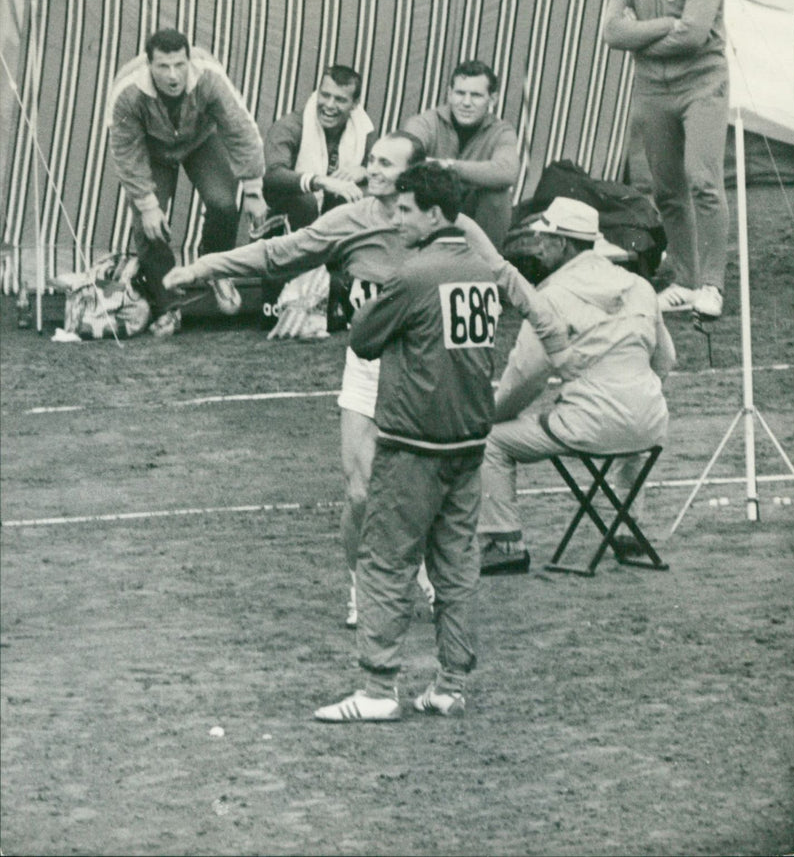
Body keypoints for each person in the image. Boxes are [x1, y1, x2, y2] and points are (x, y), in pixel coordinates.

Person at [313, 163, 570, 723]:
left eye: (405, 209)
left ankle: (379, 689)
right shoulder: (484, 269)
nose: (395, 218)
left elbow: (364, 338)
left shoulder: (414, 274)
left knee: (384, 561)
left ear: (433, 214)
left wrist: (364, 306)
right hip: (467, 444)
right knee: (456, 566)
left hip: (413, 444)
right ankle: (450, 683)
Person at [162, 131, 434, 625]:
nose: (372, 170)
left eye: (386, 164)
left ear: (414, 175)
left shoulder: (443, 226)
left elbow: (496, 272)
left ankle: (423, 573)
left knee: (419, 491)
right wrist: (205, 266)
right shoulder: (349, 219)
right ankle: (361, 588)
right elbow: (276, 253)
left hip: (427, 373)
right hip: (369, 369)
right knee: (359, 491)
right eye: (371, 160)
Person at [458, 197, 676, 575]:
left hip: (589, 426)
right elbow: (665, 361)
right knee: (630, 433)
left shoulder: (551, 297)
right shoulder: (638, 286)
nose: (538, 245)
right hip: (651, 423)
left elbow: (524, 378)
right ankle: (628, 527)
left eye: (546, 238)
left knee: (490, 440)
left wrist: (493, 417)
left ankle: (503, 542)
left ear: (564, 244)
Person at [602, 0, 729, 320]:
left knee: (703, 180)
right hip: (653, 90)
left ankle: (712, 285)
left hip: (701, 86)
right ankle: (685, 280)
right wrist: (663, 26)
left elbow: (694, 37)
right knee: (667, 189)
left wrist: (640, 34)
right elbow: (611, 32)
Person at [108, 28, 268, 338]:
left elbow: (240, 129)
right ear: (148, 64)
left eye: (179, 65)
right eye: (163, 66)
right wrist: (147, 204)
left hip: (200, 141)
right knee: (148, 225)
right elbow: (126, 153)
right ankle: (168, 305)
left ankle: (217, 270)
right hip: (152, 151)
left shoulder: (209, 78)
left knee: (224, 202)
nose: (172, 75)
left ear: (189, 60)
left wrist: (252, 189)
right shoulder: (128, 91)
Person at [402, 60, 519, 250]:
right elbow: (406, 156)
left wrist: (447, 165)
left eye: (476, 95)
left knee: (498, 193)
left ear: (493, 99)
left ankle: (486, 267)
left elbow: (507, 172)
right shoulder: (427, 122)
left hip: (472, 215)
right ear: (449, 94)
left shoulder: (501, 131)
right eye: (460, 93)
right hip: (429, 210)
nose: (466, 103)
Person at [261, 65, 376, 232]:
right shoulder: (291, 126)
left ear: (354, 104)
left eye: (340, 99)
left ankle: (337, 256)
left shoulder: (363, 130)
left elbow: (391, 174)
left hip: (331, 218)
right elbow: (272, 174)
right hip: (286, 219)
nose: (329, 105)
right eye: (325, 95)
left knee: (361, 196)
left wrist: (365, 171)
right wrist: (320, 181)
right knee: (305, 201)